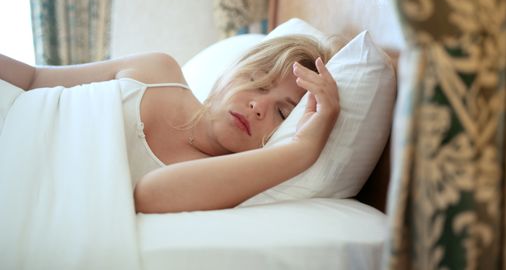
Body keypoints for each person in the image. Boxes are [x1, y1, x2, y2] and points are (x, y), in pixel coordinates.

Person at [0, 35, 340, 213]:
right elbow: (33, 78)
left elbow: (148, 196)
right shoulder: (157, 71)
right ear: (228, 74)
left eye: (283, 112)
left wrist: (303, 149)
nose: (258, 106)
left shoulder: (223, 179)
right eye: (258, 81)